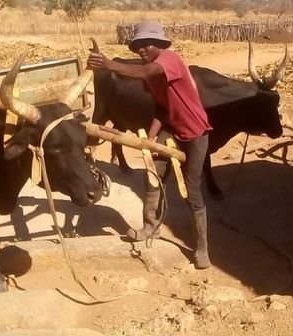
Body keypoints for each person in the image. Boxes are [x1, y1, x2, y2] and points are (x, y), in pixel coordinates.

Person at [87, 21, 212, 269]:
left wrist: (109, 65)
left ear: (160, 45)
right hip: (171, 129)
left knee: (191, 189)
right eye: (138, 46)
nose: (142, 49)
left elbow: (146, 72)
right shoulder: (151, 74)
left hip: (196, 132)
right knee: (152, 174)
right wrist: (152, 138)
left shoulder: (170, 60)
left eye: (147, 44)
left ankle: (201, 248)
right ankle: (149, 226)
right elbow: (161, 108)